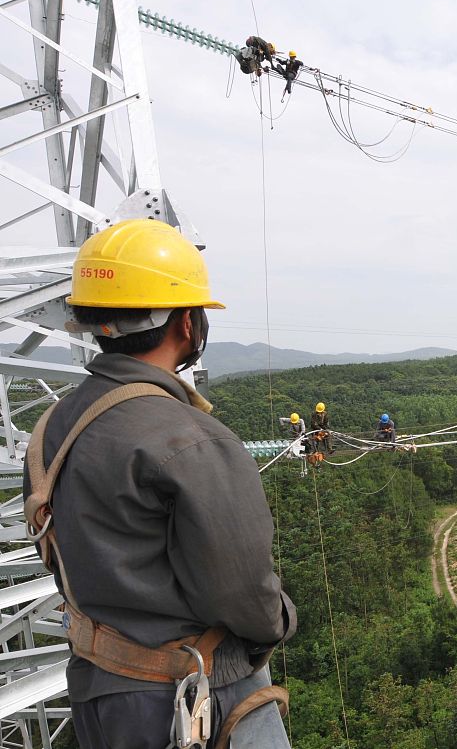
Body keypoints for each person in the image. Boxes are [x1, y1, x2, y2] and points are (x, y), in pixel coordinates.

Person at [25, 219, 294, 748]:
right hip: (191, 700)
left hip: (99, 691)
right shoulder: (192, 440)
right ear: (188, 325)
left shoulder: (54, 426)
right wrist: (280, 618)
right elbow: (246, 596)